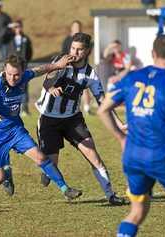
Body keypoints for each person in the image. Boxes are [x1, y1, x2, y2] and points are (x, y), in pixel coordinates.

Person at [97, 34, 165, 237]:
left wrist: (121, 138)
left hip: (132, 155)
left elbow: (102, 110)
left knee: (137, 211)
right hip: (160, 156)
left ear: (152, 53)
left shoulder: (131, 78)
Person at [0, 54, 82, 200]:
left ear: (23, 72)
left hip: (15, 130)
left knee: (41, 157)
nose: (12, 78)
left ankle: (65, 188)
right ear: (5, 69)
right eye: (9, 74)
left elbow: (41, 69)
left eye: (16, 75)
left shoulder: (25, 76)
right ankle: (7, 173)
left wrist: (58, 65)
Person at [35, 33, 126, 205]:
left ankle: (111, 195)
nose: (74, 53)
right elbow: (47, 82)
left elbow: (102, 101)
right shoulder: (62, 63)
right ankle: (47, 170)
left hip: (72, 120)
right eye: (72, 48)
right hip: (49, 119)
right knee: (51, 167)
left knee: (94, 155)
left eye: (79, 50)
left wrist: (119, 124)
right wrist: (51, 87)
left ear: (87, 51)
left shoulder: (91, 74)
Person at [61, 20, 92, 114]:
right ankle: (66, 107)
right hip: (70, 67)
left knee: (84, 87)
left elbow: (88, 51)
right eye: (75, 27)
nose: (77, 29)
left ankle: (87, 108)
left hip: (82, 67)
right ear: (71, 28)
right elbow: (64, 53)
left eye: (78, 27)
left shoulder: (85, 40)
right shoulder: (67, 40)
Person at [8, 19, 33, 116]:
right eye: (16, 27)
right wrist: (10, 27)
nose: (18, 29)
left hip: (23, 67)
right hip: (12, 68)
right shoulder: (10, 38)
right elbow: (1, 37)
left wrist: (25, 61)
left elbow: (30, 52)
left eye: (19, 26)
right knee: (11, 88)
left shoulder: (25, 39)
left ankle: (25, 109)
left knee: (24, 88)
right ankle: (12, 109)